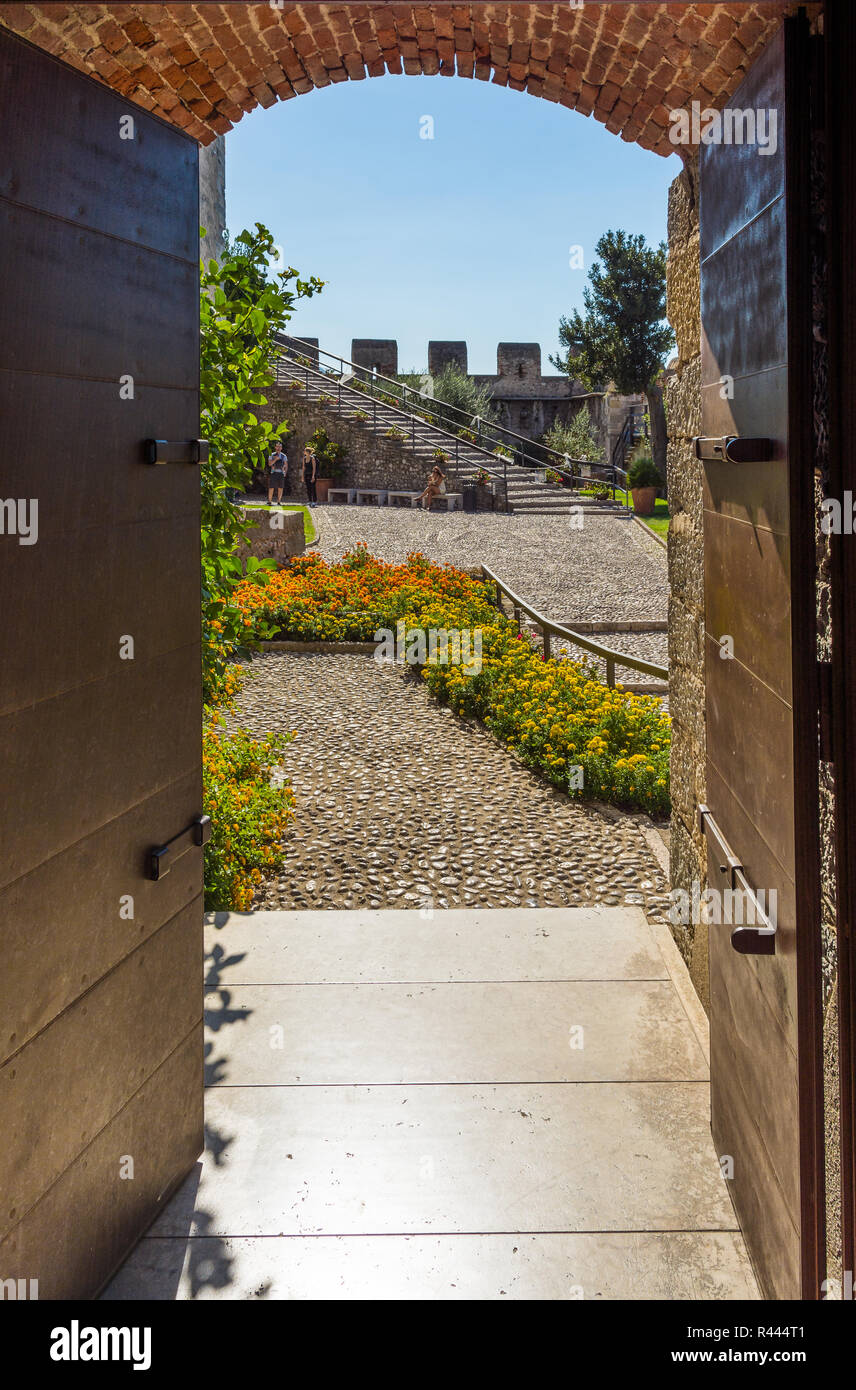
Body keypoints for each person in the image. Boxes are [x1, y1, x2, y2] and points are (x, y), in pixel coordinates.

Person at [267, 439, 288, 505]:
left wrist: (285, 472)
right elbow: (270, 464)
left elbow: (286, 465)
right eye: (277, 446)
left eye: (280, 447)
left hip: (281, 473)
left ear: (281, 448)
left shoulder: (284, 456)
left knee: (280, 488)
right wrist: (275, 459)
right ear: (275, 447)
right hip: (273, 472)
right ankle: (269, 501)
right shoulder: (272, 455)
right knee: (271, 487)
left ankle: (279, 502)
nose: (278, 448)